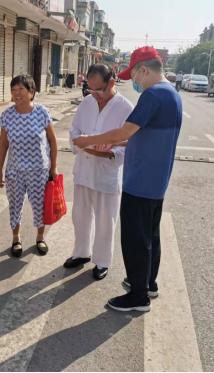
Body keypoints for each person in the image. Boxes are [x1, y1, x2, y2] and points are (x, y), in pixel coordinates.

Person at [73, 46, 182, 312]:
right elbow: (140, 136)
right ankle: (148, 284)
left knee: (135, 240)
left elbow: (125, 131)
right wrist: (111, 143)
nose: (134, 81)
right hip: (156, 181)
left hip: (141, 180)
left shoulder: (152, 94)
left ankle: (138, 296)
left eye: (133, 75)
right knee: (150, 236)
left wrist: (90, 140)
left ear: (143, 70)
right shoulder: (172, 94)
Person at [66, 64, 134, 280]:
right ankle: (81, 253)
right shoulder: (87, 102)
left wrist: (110, 150)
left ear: (111, 83)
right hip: (84, 168)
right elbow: (75, 129)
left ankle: (102, 261)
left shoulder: (125, 108)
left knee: (106, 220)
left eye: (99, 90)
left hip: (106, 171)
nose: (94, 94)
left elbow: (131, 143)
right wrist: (81, 142)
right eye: (90, 89)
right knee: (80, 215)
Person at [0, 74, 59, 258]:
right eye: (13, 89)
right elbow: (3, 144)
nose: (16, 93)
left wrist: (53, 167)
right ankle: (16, 238)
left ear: (32, 91)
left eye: (20, 89)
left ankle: (40, 237)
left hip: (39, 171)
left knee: (40, 206)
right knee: (15, 205)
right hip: (15, 171)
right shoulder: (7, 115)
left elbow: (52, 141)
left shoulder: (42, 112)